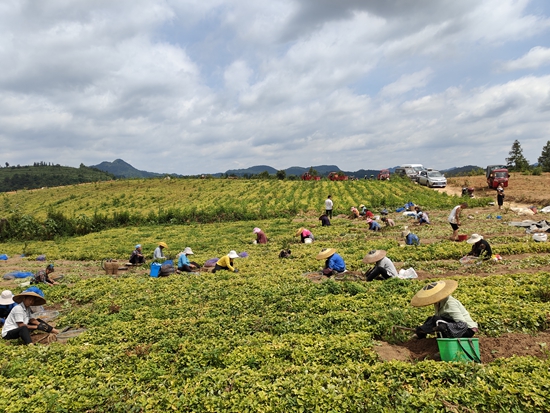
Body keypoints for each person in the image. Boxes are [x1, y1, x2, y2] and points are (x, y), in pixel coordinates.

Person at [411, 279, 478, 339]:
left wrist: (446, 326)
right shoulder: (438, 303)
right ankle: (421, 333)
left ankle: (443, 347)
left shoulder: (450, 304)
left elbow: (462, 325)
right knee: (432, 319)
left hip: (466, 330)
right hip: (457, 326)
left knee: (437, 321)